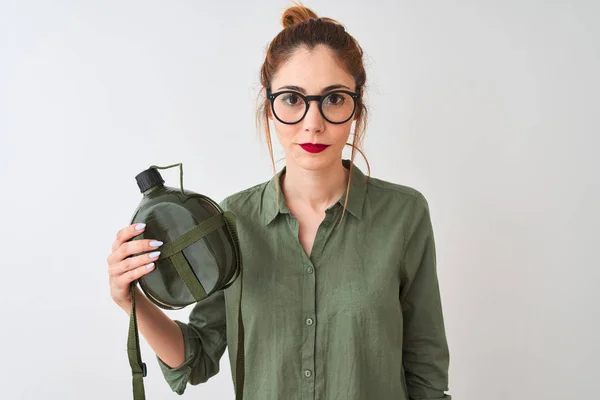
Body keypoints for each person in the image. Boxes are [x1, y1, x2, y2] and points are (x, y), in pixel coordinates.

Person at [106, 4, 451, 399]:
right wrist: (132, 301)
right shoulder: (230, 220)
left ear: (357, 106)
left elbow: (426, 374)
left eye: (334, 98)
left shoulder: (404, 216)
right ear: (269, 106)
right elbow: (196, 356)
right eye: (292, 99)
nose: (312, 122)